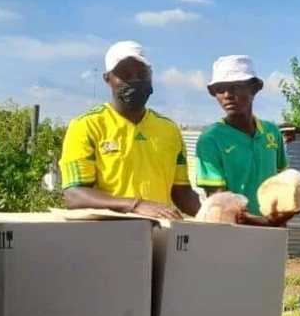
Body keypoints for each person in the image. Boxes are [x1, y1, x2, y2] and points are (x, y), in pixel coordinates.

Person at [60, 40, 199, 219]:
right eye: (124, 74)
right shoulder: (86, 126)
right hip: (107, 235)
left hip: (161, 235)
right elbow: (74, 195)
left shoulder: (169, 130)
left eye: (142, 74)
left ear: (151, 76)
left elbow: (182, 193)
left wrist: (217, 213)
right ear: (107, 79)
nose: (135, 81)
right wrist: (135, 205)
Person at [194, 55, 293, 226]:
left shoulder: (271, 132)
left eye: (236, 87)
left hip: (273, 231)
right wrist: (262, 222)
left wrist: (281, 215)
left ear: (254, 89)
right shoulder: (211, 139)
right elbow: (220, 202)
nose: (227, 95)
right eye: (220, 89)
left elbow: (282, 182)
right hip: (232, 232)